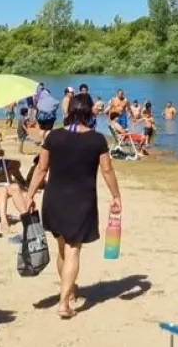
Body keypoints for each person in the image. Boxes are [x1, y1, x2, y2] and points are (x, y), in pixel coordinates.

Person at [24, 92, 122, 319]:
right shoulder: (98, 140)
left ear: (68, 112)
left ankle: (68, 292)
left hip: (54, 199)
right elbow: (107, 170)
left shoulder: (53, 137)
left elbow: (41, 169)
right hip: (81, 200)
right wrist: (116, 196)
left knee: (63, 248)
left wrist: (29, 195)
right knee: (73, 249)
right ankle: (63, 302)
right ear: (89, 113)